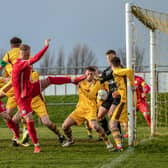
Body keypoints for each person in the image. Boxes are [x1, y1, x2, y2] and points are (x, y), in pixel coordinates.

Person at [11, 39, 85, 153]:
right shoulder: (19, 64)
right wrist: (46, 47)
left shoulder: (24, 63)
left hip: (30, 88)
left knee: (49, 80)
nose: (30, 55)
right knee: (29, 120)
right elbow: (35, 59)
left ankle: (73, 80)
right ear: (24, 53)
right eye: (29, 53)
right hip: (22, 97)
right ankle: (36, 145)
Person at [62, 66, 113, 150]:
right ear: (85, 74)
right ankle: (70, 140)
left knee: (95, 127)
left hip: (91, 109)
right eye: (88, 74)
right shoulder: (80, 81)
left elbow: (90, 95)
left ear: (94, 75)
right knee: (65, 126)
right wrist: (72, 79)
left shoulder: (97, 83)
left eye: (91, 74)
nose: (89, 76)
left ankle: (108, 142)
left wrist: (79, 87)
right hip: (80, 109)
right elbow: (69, 79)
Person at [109, 57, 134, 151]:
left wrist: (132, 85)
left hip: (125, 100)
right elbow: (123, 86)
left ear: (111, 65)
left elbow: (129, 71)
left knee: (112, 123)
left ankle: (119, 145)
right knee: (125, 122)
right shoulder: (119, 72)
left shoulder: (116, 72)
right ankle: (131, 142)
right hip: (126, 98)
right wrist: (118, 92)